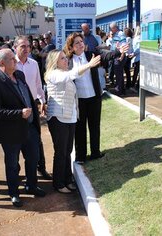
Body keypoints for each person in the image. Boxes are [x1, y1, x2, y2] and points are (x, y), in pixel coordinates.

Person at [0, 49, 46, 208]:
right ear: (2, 64)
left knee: (33, 158)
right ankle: (14, 193)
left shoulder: (19, 75)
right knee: (12, 164)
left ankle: (31, 185)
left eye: (14, 58)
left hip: (29, 127)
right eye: (12, 59)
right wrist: (19, 113)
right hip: (11, 131)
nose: (15, 61)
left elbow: (27, 97)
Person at [64, 32, 128, 164]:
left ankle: (95, 152)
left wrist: (117, 51)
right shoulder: (68, 61)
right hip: (79, 101)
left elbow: (105, 56)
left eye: (81, 41)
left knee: (94, 125)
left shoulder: (90, 55)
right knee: (80, 128)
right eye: (77, 42)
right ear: (71, 47)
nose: (81, 44)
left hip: (94, 98)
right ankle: (81, 156)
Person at [45, 49, 101, 193]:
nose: (66, 60)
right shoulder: (54, 74)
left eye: (65, 57)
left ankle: (67, 180)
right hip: (58, 118)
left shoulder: (64, 74)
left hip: (69, 118)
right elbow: (72, 74)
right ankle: (58, 183)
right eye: (62, 58)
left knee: (68, 151)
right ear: (55, 62)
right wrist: (88, 65)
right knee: (61, 152)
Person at [14, 36, 52, 180]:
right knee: (16, 140)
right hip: (16, 108)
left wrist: (43, 100)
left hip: (33, 104)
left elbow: (37, 84)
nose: (26, 49)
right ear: (15, 47)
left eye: (28, 46)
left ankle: (41, 167)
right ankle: (16, 173)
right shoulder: (10, 64)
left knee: (36, 138)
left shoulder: (34, 63)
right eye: (22, 46)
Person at [109, 22, 127, 95]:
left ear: (114, 28)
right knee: (119, 74)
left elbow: (124, 45)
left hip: (119, 56)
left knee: (118, 74)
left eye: (111, 28)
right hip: (116, 56)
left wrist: (121, 56)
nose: (110, 30)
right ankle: (121, 90)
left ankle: (118, 90)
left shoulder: (120, 34)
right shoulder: (115, 35)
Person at [131, 26, 141, 94]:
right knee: (139, 73)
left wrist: (133, 54)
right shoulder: (140, 39)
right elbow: (138, 49)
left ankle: (133, 85)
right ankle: (137, 86)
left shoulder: (134, 39)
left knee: (135, 72)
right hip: (139, 57)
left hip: (135, 58)